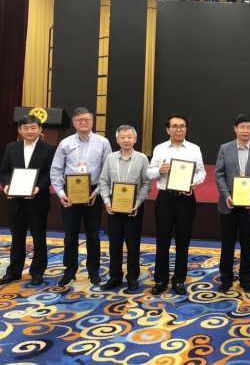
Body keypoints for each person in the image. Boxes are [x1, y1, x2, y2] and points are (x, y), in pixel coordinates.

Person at [50, 107, 112, 287]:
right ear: (74, 123)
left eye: (86, 119)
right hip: (71, 193)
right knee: (70, 235)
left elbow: (107, 171)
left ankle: (94, 271)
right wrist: (61, 193)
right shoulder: (65, 143)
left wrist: (97, 192)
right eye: (79, 120)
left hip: (93, 192)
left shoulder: (103, 142)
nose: (83, 123)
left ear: (92, 122)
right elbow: (56, 170)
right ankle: (70, 271)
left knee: (93, 235)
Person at [147, 115, 206, 295]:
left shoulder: (194, 149)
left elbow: (201, 173)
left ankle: (179, 280)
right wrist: (159, 170)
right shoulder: (160, 149)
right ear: (168, 130)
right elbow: (149, 173)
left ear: (186, 129)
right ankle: (160, 280)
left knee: (183, 241)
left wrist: (193, 183)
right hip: (165, 199)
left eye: (182, 126)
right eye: (174, 126)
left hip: (186, 199)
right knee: (162, 241)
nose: (178, 130)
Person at [215, 114, 250, 293]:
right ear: (235, 128)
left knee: (247, 244)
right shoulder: (225, 148)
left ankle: (246, 279)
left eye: (249, 127)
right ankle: (226, 278)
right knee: (227, 244)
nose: (245, 131)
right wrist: (226, 195)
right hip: (228, 205)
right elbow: (219, 174)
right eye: (242, 127)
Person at [0, 115, 55, 286]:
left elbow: (50, 173)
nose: (29, 131)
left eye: (33, 127)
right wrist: (7, 185)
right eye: (25, 128)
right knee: (17, 238)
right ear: (19, 130)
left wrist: (38, 188)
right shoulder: (11, 147)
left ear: (40, 129)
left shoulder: (49, 148)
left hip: (37, 200)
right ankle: (14, 272)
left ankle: (37, 272)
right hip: (15, 201)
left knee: (39, 238)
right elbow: (4, 171)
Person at [98, 125, 151, 292]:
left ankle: (132, 277)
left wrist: (138, 202)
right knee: (114, 244)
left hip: (134, 207)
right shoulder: (110, 158)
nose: (126, 140)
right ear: (117, 140)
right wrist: (107, 201)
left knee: (133, 245)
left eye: (129, 137)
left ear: (135, 139)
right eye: (123, 137)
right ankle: (115, 276)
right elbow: (104, 181)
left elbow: (147, 183)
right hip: (114, 207)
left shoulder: (142, 158)